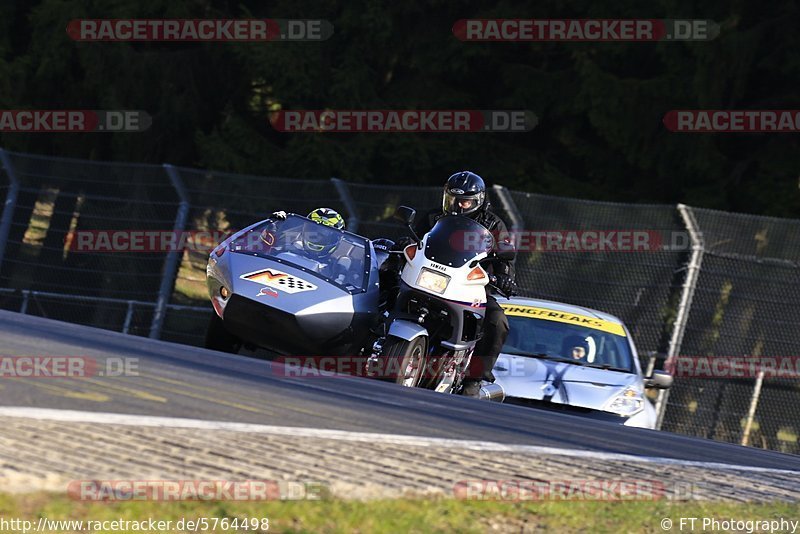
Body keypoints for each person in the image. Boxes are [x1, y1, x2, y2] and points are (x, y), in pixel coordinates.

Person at [412, 171, 517, 397]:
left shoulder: (493, 224)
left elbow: (504, 258)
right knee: (389, 278)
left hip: (471, 287)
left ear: (477, 200)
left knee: (497, 321)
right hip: (429, 277)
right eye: (453, 200)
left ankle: (475, 378)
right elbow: (414, 239)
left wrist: (505, 277)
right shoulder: (433, 217)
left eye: (465, 201)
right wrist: (404, 244)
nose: (458, 206)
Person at [269, 208, 350, 281]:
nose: (316, 236)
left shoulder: (338, 268)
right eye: (313, 229)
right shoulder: (288, 248)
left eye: (324, 233)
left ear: (336, 238)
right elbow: (262, 253)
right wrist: (270, 229)